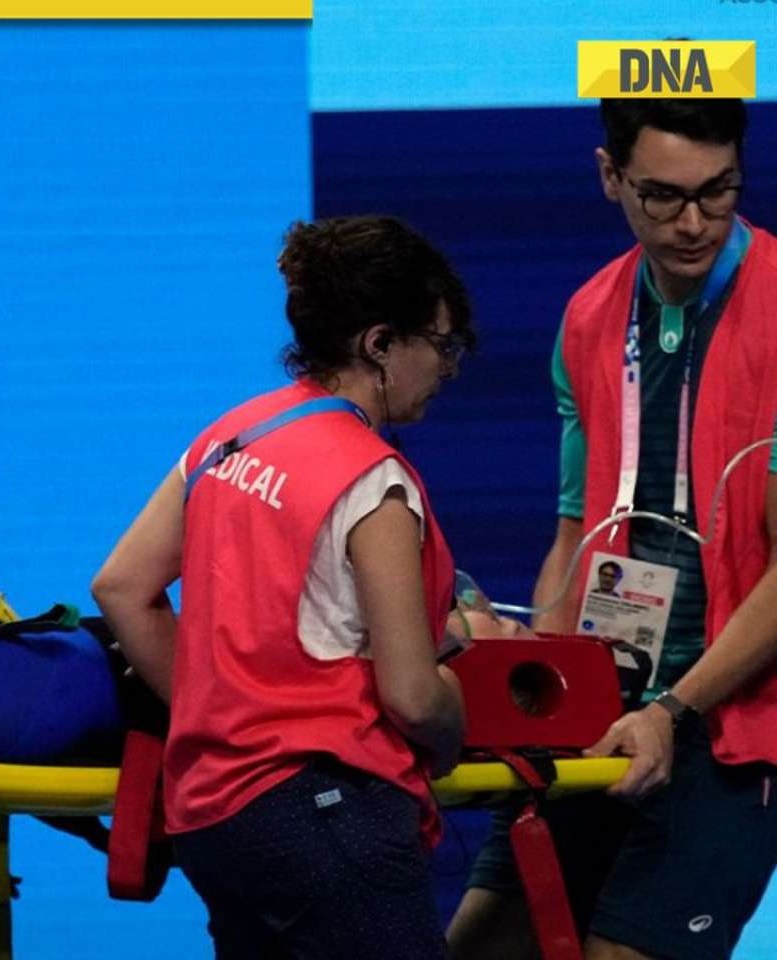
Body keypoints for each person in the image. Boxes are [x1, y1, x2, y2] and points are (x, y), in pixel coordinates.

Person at [448, 98, 777, 960]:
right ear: (610, 177)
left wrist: (673, 708)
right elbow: (578, 530)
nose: (696, 222)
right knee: (483, 946)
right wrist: (535, 694)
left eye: (721, 191)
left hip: (733, 730)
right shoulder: (589, 316)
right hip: (602, 709)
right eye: (664, 197)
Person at [93, 215, 473, 959]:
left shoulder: (229, 436)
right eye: (441, 343)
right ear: (380, 344)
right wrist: (456, 720)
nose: (449, 367)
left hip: (213, 820)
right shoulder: (374, 481)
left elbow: (120, 587)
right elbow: (412, 695)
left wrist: (228, 713)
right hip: (327, 817)